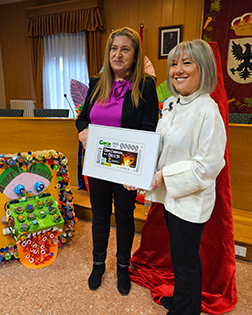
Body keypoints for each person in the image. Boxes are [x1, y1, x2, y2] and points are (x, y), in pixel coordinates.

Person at [125, 39, 227, 314]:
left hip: (191, 200)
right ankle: (186, 301)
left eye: (187, 63)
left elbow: (207, 166)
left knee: (185, 260)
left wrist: (162, 177)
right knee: (180, 257)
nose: (177, 70)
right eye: (173, 64)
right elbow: (160, 147)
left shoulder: (208, 110)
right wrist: (137, 172)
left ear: (203, 68)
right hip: (172, 198)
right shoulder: (172, 103)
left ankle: (186, 309)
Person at [76, 27, 158, 296]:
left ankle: (123, 267)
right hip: (98, 164)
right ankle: (98, 264)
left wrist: (138, 170)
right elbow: (83, 116)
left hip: (126, 167)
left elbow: (149, 127)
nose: (118, 54)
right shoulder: (96, 82)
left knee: (124, 216)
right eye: (114, 48)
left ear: (135, 55)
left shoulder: (145, 85)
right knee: (99, 216)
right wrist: (82, 130)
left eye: (125, 49)